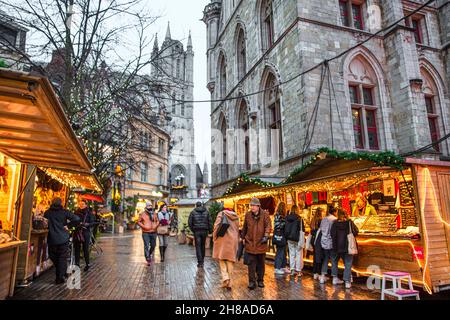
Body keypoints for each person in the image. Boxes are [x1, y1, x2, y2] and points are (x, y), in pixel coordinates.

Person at [44, 198, 80, 284]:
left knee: (53, 256)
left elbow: (43, 223)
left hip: (52, 239)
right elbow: (77, 219)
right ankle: (61, 275)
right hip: (63, 238)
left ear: (52, 202)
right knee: (62, 258)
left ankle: (60, 276)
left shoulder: (47, 213)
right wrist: (68, 225)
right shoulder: (64, 212)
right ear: (61, 203)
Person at [241, 197, 272, 290]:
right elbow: (244, 227)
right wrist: (242, 237)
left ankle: (260, 280)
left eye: (254, 205)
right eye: (251, 205)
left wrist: (266, 235)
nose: (252, 207)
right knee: (251, 264)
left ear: (258, 206)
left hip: (261, 243)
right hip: (250, 243)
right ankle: (251, 282)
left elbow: (268, 226)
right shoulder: (247, 215)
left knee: (261, 264)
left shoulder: (265, 215)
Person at [212, 205, 240, 289]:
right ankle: (230, 282)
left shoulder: (221, 214)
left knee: (221, 259)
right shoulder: (236, 216)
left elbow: (216, 227)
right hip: (233, 240)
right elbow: (237, 229)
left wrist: (214, 238)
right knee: (230, 260)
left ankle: (225, 278)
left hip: (222, 239)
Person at [331, 209, 359, 288]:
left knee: (334, 262)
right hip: (347, 246)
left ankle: (335, 278)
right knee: (348, 263)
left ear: (338, 214)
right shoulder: (349, 222)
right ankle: (347, 282)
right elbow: (356, 231)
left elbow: (331, 234)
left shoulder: (334, 223)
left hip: (336, 246)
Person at [73, 200, 95, 272]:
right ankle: (77, 264)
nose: (81, 205)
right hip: (77, 232)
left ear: (86, 205)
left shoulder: (89, 213)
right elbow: (73, 221)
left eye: (82, 204)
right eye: (80, 204)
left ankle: (87, 264)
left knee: (85, 249)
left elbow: (92, 223)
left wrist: (87, 224)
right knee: (77, 249)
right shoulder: (76, 212)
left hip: (85, 232)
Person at [188, 201, 212, 268]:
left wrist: (193, 230)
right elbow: (210, 221)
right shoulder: (206, 212)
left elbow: (189, 223)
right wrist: (210, 231)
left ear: (196, 205)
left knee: (198, 246)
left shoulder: (193, 212)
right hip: (204, 231)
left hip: (197, 231)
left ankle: (200, 262)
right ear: (201, 205)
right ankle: (202, 260)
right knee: (203, 245)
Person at [319, 206, 339, 284]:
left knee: (326, 259)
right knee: (334, 259)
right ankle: (334, 278)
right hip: (331, 242)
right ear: (334, 212)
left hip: (324, 241)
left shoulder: (324, 219)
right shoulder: (334, 219)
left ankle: (322, 276)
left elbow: (321, 229)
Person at [285, 204, 306, 277]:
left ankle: (292, 270)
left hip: (289, 238)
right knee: (299, 254)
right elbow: (303, 229)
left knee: (291, 254)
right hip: (297, 238)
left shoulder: (287, 218)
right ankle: (299, 271)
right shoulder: (299, 218)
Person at [137, 201, 159, 266]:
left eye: (151, 206)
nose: (150, 207)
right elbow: (138, 222)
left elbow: (157, 221)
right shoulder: (142, 214)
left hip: (154, 232)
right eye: (148, 206)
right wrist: (144, 227)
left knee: (153, 245)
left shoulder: (154, 213)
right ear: (146, 206)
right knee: (146, 245)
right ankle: (147, 258)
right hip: (145, 232)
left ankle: (149, 254)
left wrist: (156, 226)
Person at [273, 202, 289, 275]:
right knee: (280, 252)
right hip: (281, 236)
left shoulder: (277, 215)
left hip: (278, 236)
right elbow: (281, 226)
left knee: (283, 252)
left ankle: (282, 266)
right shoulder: (281, 217)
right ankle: (277, 268)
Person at [310, 207, 324, 280]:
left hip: (313, 239)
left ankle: (315, 273)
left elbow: (311, 228)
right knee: (319, 257)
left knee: (315, 256)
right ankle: (318, 273)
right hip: (318, 239)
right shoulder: (321, 220)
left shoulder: (313, 219)